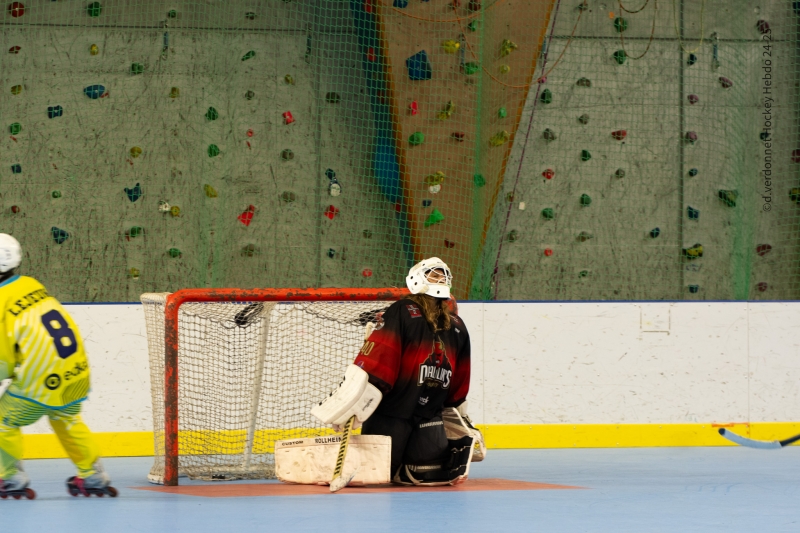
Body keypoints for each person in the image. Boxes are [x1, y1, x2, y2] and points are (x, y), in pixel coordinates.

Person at [312, 257, 482, 485]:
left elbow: (379, 366)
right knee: (424, 473)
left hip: (392, 420)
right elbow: (458, 387)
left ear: (415, 281)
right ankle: (415, 467)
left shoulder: (402, 311)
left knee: (375, 476)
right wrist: (455, 412)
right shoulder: (458, 325)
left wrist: (352, 406)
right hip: (431, 428)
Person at [0, 234, 115, 498]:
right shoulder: (30, 284)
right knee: (67, 418)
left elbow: (3, 357)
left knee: (3, 421)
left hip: (41, 379)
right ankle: (93, 474)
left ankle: (8, 478)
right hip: (75, 371)